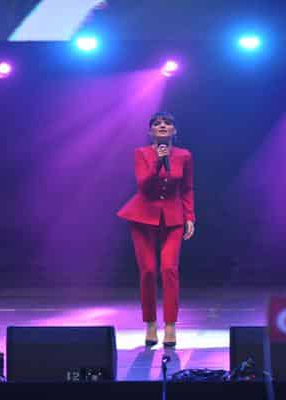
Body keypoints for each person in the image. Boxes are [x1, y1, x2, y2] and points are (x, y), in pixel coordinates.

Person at [117, 111, 195, 348]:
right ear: (150, 131)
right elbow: (143, 184)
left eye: (167, 123)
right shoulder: (141, 153)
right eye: (157, 123)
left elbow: (187, 188)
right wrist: (158, 162)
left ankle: (170, 325)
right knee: (148, 271)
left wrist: (190, 216)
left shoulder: (184, 155)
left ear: (174, 130)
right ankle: (150, 323)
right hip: (143, 215)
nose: (162, 126)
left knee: (169, 269)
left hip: (173, 217)